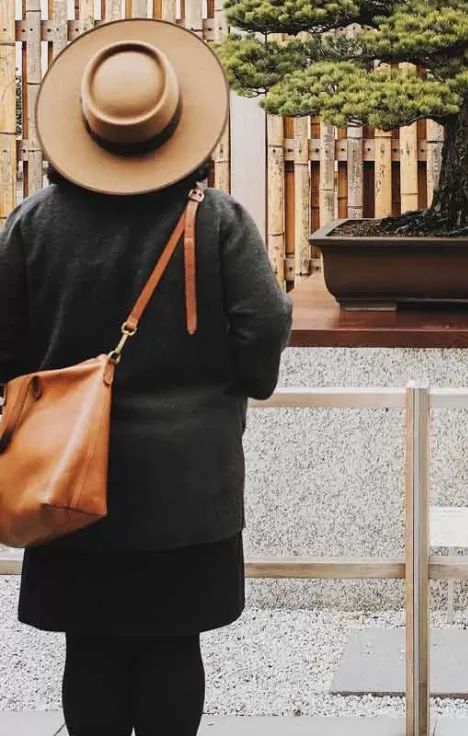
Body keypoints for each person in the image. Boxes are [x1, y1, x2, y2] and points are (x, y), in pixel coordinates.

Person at [0, 18, 292, 736]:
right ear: (177, 123)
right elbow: (264, 325)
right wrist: (240, 384)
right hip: (188, 481)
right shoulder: (217, 220)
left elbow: (5, 343)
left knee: (89, 646)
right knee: (172, 644)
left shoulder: (34, 224)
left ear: (82, 123)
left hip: (63, 474)